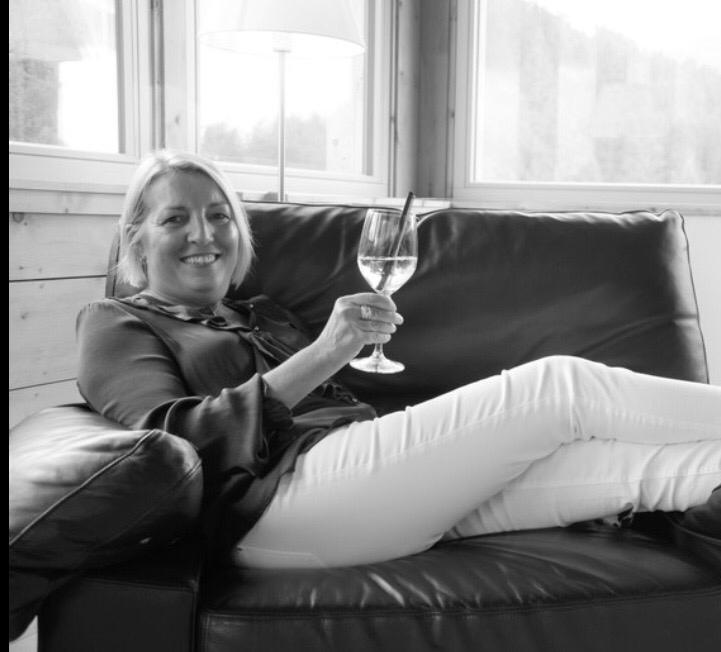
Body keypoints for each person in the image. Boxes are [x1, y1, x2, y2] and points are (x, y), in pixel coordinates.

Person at [77, 150, 721, 569]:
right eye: (175, 220)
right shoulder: (116, 321)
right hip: (271, 508)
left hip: (368, 492)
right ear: (136, 238)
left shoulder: (262, 313)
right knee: (562, 386)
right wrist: (326, 353)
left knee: (650, 469)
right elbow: (169, 443)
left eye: (219, 216)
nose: (204, 234)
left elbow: (348, 418)